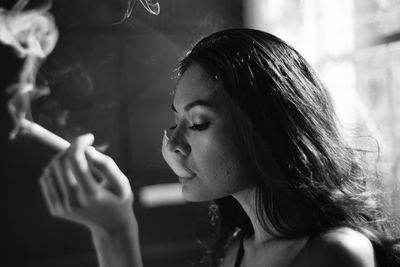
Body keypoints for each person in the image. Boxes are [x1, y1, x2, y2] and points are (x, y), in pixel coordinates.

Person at [39, 28, 400, 267]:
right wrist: (113, 229)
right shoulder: (235, 250)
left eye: (197, 123)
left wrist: (117, 233)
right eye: (174, 123)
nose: (174, 145)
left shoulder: (333, 254)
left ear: (266, 127)